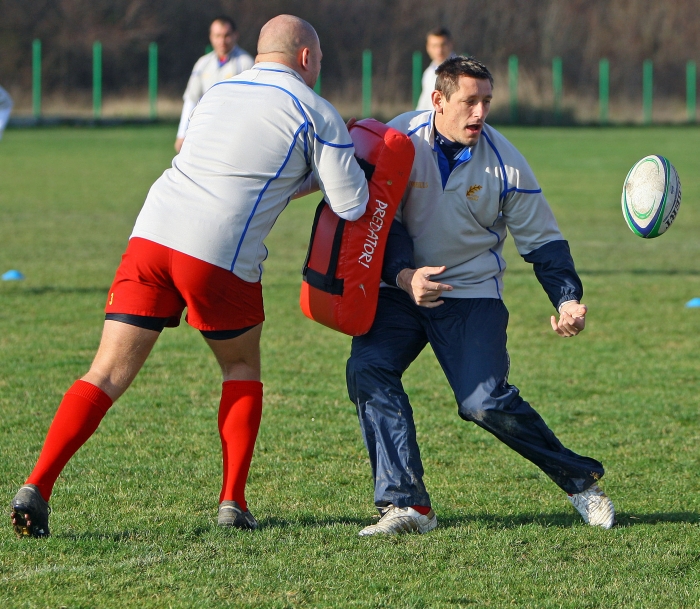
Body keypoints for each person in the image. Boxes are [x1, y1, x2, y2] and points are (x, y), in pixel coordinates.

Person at [11, 14, 369, 538]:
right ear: (307, 58)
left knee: (105, 372)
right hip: (217, 252)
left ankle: (37, 484)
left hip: (152, 233)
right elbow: (352, 202)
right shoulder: (318, 112)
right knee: (241, 366)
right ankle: (232, 502)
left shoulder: (218, 91)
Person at [347, 55, 615, 536]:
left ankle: (581, 483)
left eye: (486, 101)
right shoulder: (398, 139)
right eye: (469, 101)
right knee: (368, 370)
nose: (480, 113)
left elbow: (545, 243)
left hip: (471, 292)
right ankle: (408, 506)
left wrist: (567, 299)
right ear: (438, 100)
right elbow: (376, 222)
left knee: (484, 402)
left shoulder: (507, 163)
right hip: (400, 289)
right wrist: (405, 275)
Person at [174, 16, 254, 153]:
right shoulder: (202, 64)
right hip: (204, 131)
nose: (222, 41)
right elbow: (191, 99)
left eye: (226, 35)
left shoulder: (246, 63)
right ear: (211, 37)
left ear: (235, 36)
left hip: (233, 134)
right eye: (217, 36)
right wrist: (182, 134)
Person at [415, 27, 454, 111]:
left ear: (450, 44)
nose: (439, 50)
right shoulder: (428, 73)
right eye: (434, 46)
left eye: (443, 45)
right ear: (428, 47)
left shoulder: (460, 71)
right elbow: (424, 104)